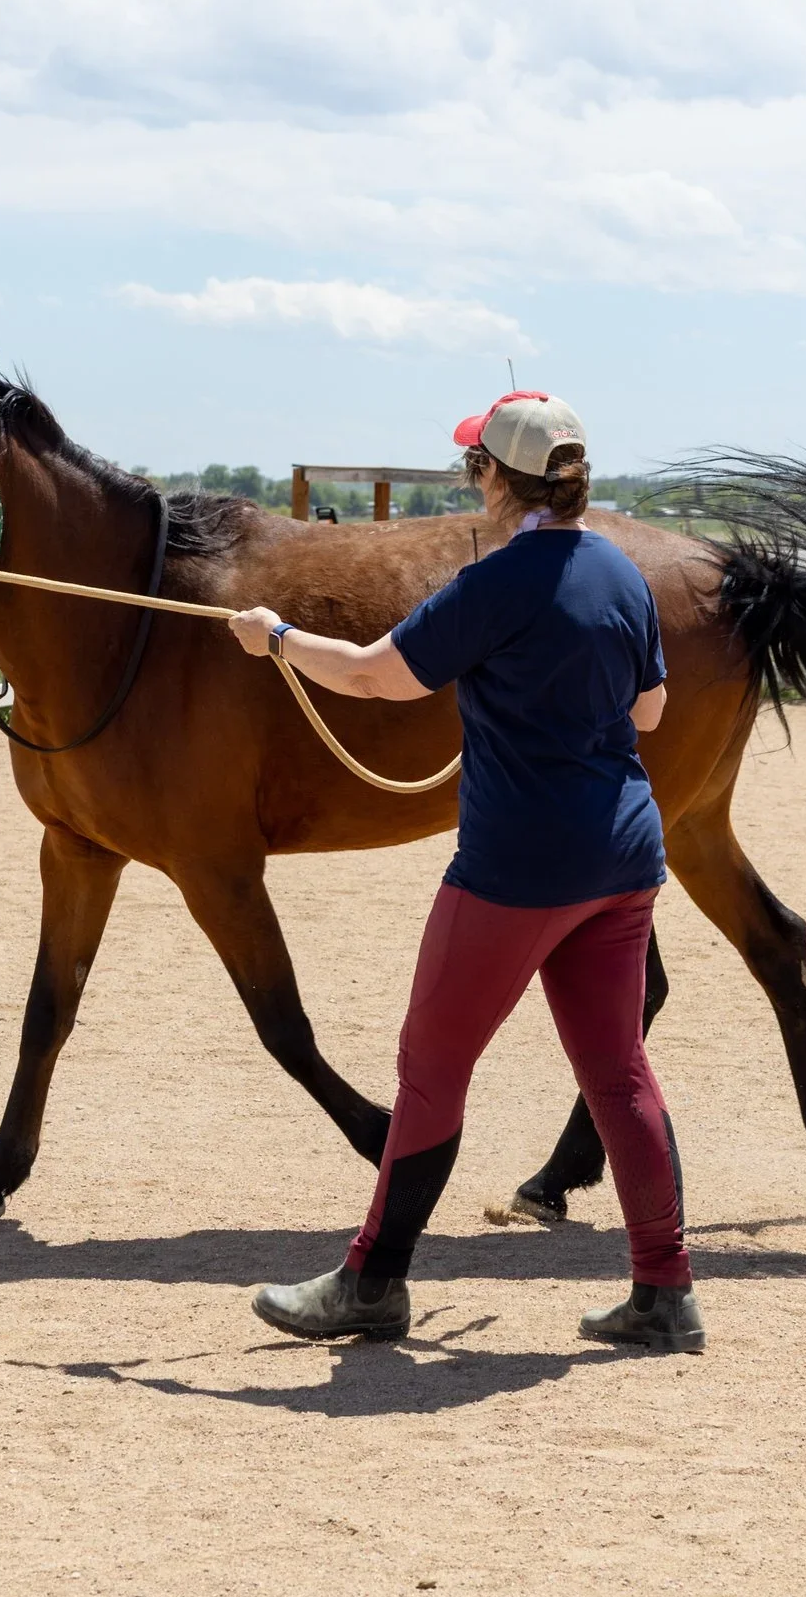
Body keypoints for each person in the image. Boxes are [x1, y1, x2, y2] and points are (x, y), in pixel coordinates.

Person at [224, 392, 703, 1351]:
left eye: (473, 466)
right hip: (622, 858)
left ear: (495, 477)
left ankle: (370, 1282)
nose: (469, 480)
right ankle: (664, 1292)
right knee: (618, 1072)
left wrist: (274, 640)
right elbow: (649, 713)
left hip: (516, 869)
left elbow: (372, 673)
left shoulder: (498, 582)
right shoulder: (618, 569)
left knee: (432, 1068)